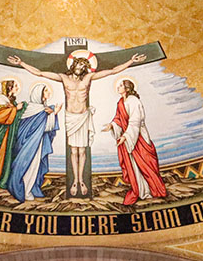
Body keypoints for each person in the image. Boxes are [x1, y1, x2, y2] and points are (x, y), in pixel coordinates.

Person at [9, 51, 145, 196]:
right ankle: (75, 180)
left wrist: (131, 61)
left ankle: (81, 181)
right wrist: (21, 63)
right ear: (73, 65)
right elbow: (40, 73)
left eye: (84, 65)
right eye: (79, 63)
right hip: (71, 117)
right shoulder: (63, 78)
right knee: (74, 151)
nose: (81, 67)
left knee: (82, 151)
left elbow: (112, 71)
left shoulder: (88, 77)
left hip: (83, 116)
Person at [103, 79, 166, 205]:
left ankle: (152, 190)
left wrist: (125, 137)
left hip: (139, 138)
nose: (118, 87)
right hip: (128, 138)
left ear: (127, 88)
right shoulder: (120, 102)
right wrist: (112, 125)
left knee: (145, 164)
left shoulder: (134, 101)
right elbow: (119, 119)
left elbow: (135, 122)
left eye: (121, 85)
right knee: (133, 165)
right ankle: (141, 191)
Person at [6, 83, 61, 202]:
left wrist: (51, 113)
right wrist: (54, 113)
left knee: (31, 166)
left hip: (32, 143)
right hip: (31, 144)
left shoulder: (36, 108)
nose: (48, 93)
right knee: (29, 165)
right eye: (45, 91)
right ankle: (24, 191)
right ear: (39, 94)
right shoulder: (40, 110)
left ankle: (27, 189)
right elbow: (46, 127)